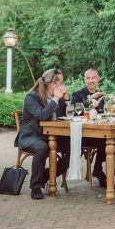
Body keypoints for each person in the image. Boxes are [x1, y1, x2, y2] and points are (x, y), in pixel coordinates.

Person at [15, 68, 71, 200]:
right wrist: (56, 98)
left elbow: (69, 115)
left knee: (74, 149)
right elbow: (42, 115)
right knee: (42, 147)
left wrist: (67, 99)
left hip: (52, 136)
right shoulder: (32, 96)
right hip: (31, 137)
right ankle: (35, 186)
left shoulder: (58, 98)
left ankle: (45, 176)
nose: (62, 85)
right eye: (61, 82)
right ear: (53, 84)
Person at [71, 68, 115, 187]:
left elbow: (103, 114)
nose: (91, 81)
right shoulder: (77, 95)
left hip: (99, 132)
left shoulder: (102, 95)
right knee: (105, 140)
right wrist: (91, 99)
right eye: (88, 78)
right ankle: (98, 170)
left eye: (94, 78)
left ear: (98, 79)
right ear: (84, 80)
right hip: (84, 134)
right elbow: (75, 113)